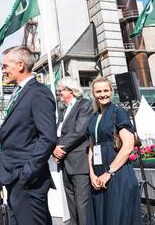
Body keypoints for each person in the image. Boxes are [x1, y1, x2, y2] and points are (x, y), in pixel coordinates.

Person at [0, 45, 56, 225]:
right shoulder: (18, 93)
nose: (3, 70)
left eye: (5, 66)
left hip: (27, 179)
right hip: (15, 177)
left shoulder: (38, 93)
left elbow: (48, 137)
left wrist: (27, 172)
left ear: (20, 65)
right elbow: (12, 131)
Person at [86, 76, 141, 225]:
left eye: (105, 90)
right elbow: (91, 147)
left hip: (117, 174)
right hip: (98, 175)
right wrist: (91, 174)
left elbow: (128, 145)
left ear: (111, 91)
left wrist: (108, 173)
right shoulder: (93, 116)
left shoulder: (118, 112)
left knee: (116, 218)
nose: (102, 94)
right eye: (98, 91)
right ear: (94, 94)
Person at [52, 76, 92, 225]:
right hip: (65, 163)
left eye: (60, 90)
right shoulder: (63, 110)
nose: (59, 93)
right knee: (71, 203)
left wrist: (59, 148)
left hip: (79, 163)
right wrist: (53, 150)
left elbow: (79, 132)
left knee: (82, 204)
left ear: (70, 90)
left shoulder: (84, 105)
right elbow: (58, 133)